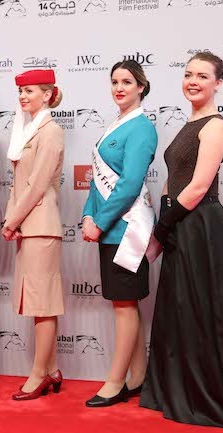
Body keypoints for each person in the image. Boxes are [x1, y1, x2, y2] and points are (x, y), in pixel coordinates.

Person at [140, 52, 223, 430]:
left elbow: (199, 186)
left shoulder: (215, 125)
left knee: (203, 311)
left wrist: (162, 228)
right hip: (180, 222)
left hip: (199, 225)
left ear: (219, 83)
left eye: (203, 76)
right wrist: (161, 226)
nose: (193, 81)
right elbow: (174, 181)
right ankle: (178, 390)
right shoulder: (189, 124)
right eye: (188, 74)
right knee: (181, 310)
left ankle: (210, 396)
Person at [81, 60, 157, 407]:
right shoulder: (115, 125)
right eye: (114, 81)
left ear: (141, 87)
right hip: (109, 228)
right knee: (125, 304)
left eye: (127, 82)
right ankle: (138, 376)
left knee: (125, 306)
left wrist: (99, 222)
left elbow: (128, 185)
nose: (119, 88)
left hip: (127, 230)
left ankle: (115, 382)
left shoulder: (142, 127)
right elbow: (97, 183)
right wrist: (88, 214)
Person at [2, 69, 65, 401]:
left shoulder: (50, 131)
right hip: (29, 226)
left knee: (43, 303)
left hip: (40, 225)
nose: (23, 96)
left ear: (47, 94)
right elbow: (18, 184)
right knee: (39, 302)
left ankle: (39, 374)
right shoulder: (28, 130)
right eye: (21, 91)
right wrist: (12, 220)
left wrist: (11, 221)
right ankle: (51, 369)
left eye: (30, 91)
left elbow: (38, 184)